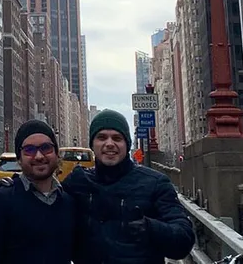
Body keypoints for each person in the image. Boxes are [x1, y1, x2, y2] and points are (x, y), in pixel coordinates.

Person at [64, 109, 195, 263]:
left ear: (127, 144)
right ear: (92, 144)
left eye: (117, 138)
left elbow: (184, 239)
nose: (109, 144)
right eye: (101, 137)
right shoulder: (77, 182)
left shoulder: (155, 183)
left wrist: (150, 228)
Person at [0, 119, 85, 264]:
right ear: (19, 159)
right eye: (29, 150)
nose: (39, 156)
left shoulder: (69, 203)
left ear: (57, 154)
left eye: (46, 148)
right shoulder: (0, 201)